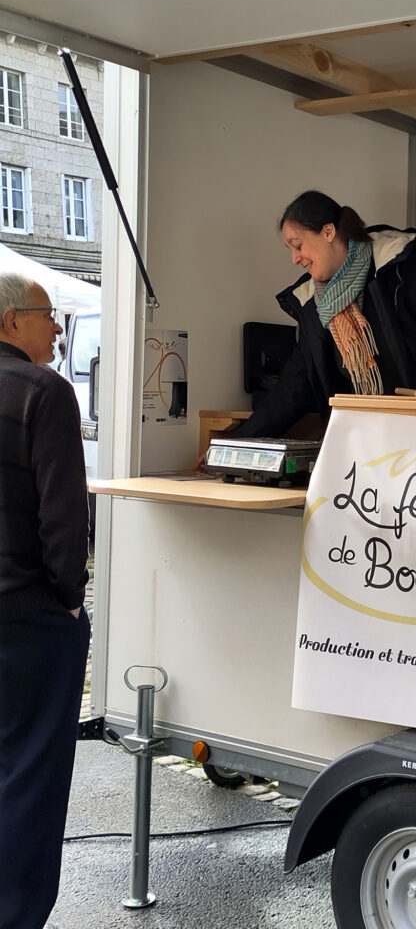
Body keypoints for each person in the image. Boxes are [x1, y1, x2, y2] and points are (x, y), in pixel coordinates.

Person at [0, 273, 91, 929]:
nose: (56, 327)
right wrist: (69, 602)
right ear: (10, 321)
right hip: (27, 622)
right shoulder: (45, 394)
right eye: (46, 315)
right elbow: (65, 523)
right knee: (29, 784)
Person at [234, 191, 416, 439]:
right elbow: (293, 387)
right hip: (363, 445)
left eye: (298, 246)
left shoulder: (403, 270)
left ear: (328, 232)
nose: (295, 259)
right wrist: (233, 444)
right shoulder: (316, 308)